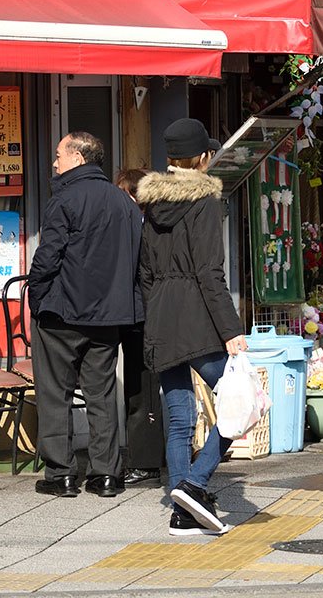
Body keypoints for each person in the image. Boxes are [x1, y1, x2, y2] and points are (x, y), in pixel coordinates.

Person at [136, 118, 247, 536]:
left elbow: (144, 273)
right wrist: (231, 329)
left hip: (162, 318)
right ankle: (195, 483)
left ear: (170, 159)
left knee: (179, 416)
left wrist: (158, 311)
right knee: (244, 402)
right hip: (199, 319)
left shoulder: (151, 206)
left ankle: (181, 511)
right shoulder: (204, 202)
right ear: (203, 158)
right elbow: (209, 273)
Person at [27, 132, 143, 499]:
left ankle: (61, 473)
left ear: (77, 157)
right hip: (108, 317)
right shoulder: (123, 202)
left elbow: (48, 256)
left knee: (54, 393)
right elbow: (135, 259)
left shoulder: (64, 198)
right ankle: (105, 474)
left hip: (62, 313)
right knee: (102, 394)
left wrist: (36, 294)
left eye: (59, 154)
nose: (55, 162)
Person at [115, 166, 164, 488]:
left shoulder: (146, 228)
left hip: (145, 316)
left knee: (143, 388)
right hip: (141, 314)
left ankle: (146, 464)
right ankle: (146, 458)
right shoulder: (148, 225)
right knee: (140, 386)